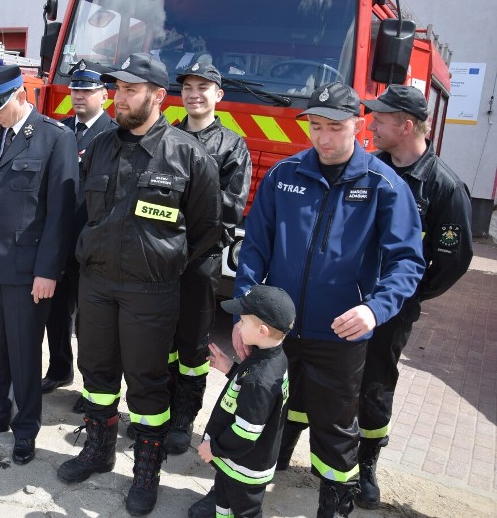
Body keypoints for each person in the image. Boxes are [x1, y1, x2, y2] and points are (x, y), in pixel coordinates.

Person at [232, 82, 425, 517]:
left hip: (339, 335)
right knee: (256, 417)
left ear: (358, 124)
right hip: (275, 331)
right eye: (315, 126)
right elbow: (255, 249)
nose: (322, 138)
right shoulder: (284, 176)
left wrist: (374, 309)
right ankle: (235, 500)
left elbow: (407, 262)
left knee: (336, 433)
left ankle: (334, 507)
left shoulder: (384, 186)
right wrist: (246, 308)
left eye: (334, 127)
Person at [57, 53, 222, 516]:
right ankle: (98, 450)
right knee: (96, 374)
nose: (119, 97)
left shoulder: (188, 155)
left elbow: (207, 230)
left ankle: (146, 471)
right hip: (96, 283)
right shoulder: (102, 147)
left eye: (131, 89)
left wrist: (161, 264)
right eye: (118, 88)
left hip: (151, 292)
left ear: (157, 96)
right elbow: (82, 212)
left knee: (148, 385)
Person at [354, 85, 473, 508]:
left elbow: (452, 260)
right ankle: (321, 448)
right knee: (326, 371)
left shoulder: (443, 187)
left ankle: (365, 463)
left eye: (381, 119)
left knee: (375, 382)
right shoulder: (366, 168)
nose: (372, 123)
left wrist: (406, 296)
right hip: (348, 298)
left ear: (406, 126)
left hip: (392, 309)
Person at [0, 65, 78, 466]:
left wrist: (49, 271)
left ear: (20, 96)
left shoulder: (54, 137)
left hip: (27, 271)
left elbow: (61, 214)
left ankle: (26, 429)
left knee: (24, 354)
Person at [164, 60, 251, 454]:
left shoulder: (233, 145)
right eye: (188, 87)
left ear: (219, 95)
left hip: (199, 261)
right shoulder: (165, 136)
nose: (194, 93)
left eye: (204, 87)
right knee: (156, 338)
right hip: (159, 259)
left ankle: (183, 419)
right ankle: (158, 412)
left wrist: (183, 218)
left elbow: (230, 208)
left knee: (191, 345)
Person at [44, 60, 117, 404]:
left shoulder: (114, 136)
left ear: (105, 95)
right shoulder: (59, 131)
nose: (79, 96)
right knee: (56, 313)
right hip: (58, 242)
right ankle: (59, 369)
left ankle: (93, 388)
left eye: (87, 91)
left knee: (90, 323)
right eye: (75, 90)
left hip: (92, 246)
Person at [190, 284, 294, 518]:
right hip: (235, 462)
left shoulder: (261, 379)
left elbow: (246, 432)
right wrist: (231, 370)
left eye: (243, 321)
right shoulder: (270, 357)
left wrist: (214, 448)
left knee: (244, 511)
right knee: (223, 501)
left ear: (262, 331)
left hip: (244, 467)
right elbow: (253, 392)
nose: (237, 325)